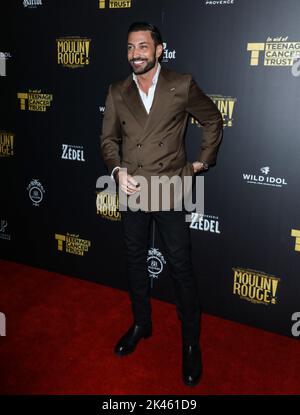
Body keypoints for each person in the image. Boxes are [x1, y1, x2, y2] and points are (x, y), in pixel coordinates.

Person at [100, 21, 223, 387]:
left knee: (180, 268)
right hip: (133, 189)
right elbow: (108, 140)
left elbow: (213, 120)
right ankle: (141, 323)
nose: (134, 54)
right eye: (129, 47)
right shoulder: (117, 91)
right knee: (135, 260)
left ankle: (190, 344)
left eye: (142, 46)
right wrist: (117, 170)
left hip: (169, 188)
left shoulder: (181, 85)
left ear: (159, 50)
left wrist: (200, 162)